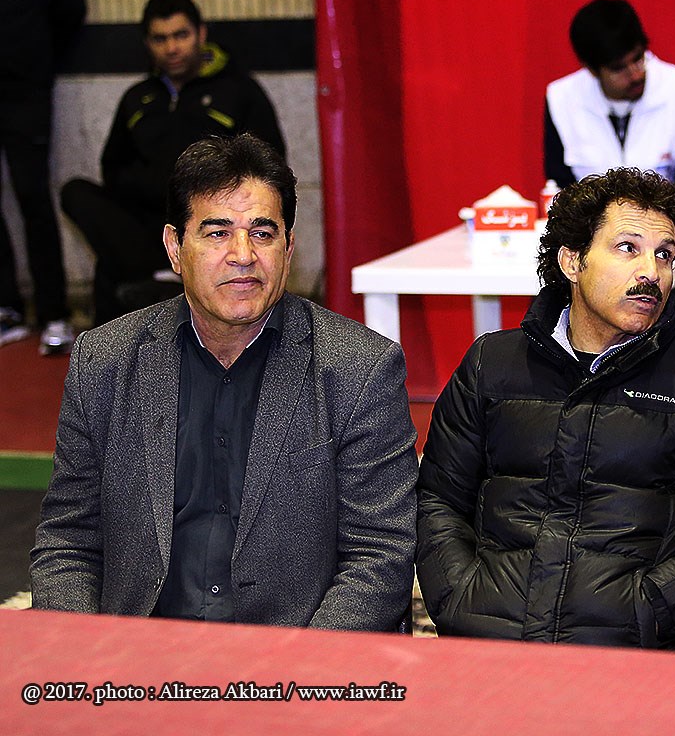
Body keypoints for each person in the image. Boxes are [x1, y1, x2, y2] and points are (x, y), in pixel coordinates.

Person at [31, 134, 417, 630]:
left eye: (263, 233)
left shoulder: (358, 368)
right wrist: (89, 651)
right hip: (140, 650)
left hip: (296, 654)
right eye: (217, 233)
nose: (243, 254)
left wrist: (298, 668)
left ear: (288, 247)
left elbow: (380, 554)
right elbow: (68, 540)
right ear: (175, 248)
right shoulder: (104, 360)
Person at [416, 167, 675, 650]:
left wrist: (650, 608)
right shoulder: (492, 363)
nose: (651, 273)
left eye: (664, 254)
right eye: (628, 248)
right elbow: (437, 500)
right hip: (489, 642)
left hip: (632, 654)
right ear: (572, 262)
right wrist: (459, 598)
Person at [61, 0, 285, 327]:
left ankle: (168, 269)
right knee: (76, 193)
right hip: (144, 226)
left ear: (201, 34)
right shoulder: (137, 98)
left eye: (181, 35)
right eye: (160, 39)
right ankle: (163, 270)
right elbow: (113, 168)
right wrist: (152, 183)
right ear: (147, 43)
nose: (172, 48)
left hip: (211, 222)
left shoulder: (239, 92)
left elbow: (270, 166)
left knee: (111, 268)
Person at [544, 0, 675, 337]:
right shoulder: (561, 99)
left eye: (639, 58)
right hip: (598, 248)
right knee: (553, 296)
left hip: (674, 249)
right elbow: (559, 188)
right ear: (592, 69)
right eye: (619, 68)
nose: (636, 73)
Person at [0, 0, 85, 354]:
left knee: (32, 194)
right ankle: (7, 307)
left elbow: (70, 1)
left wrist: (37, 57)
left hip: (23, 88)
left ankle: (54, 311)